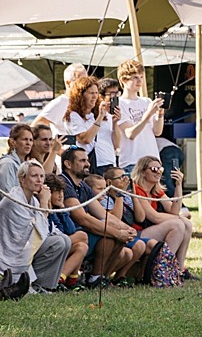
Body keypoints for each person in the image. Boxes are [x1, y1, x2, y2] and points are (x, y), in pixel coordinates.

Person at [59, 145, 136, 287]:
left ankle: (100, 277)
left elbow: (102, 214)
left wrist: (127, 229)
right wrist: (117, 233)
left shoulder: (83, 186)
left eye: (87, 160)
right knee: (112, 235)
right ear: (68, 164)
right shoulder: (64, 183)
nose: (88, 164)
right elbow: (82, 218)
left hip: (83, 234)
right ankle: (94, 278)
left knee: (117, 235)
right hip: (69, 235)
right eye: (82, 161)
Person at [0, 160, 70, 296]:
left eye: (42, 176)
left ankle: (44, 285)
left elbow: (43, 229)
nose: (39, 180)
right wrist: (44, 202)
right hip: (11, 251)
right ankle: (27, 283)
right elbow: (35, 233)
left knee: (64, 240)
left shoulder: (33, 199)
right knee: (58, 242)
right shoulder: (14, 200)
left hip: (26, 246)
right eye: (34, 176)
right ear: (22, 179)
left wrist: (44, 204)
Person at [133, 156, 195, 277]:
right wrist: (180, 217)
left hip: (150, 230)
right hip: (136, 233)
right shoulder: (137, 189)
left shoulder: (156, 190)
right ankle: (163, 268)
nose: (158, 172)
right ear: (143, 171)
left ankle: (179, 269)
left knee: (186, 224)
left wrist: (178, 185)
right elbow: (155, 217)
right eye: (154, 169)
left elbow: (174, 211)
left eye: (160, 169)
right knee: (177, 224)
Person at [113, 59, 163, 175]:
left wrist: (160, 113)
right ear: (124, 80)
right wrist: (148, 114)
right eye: (135, 77)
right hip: (132, 161)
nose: (139, 81)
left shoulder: (146, 101)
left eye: (141, 77)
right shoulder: (120, 103)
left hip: (153, 159)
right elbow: (130, 134)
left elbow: (157, 131)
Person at [59, 75, 104, 166]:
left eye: (96, 93)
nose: (94, 96)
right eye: (91, 93)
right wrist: (100, 117)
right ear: (81, 95)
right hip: (79, 162)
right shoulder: (73, 115)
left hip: (99, 161)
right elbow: (85, 139)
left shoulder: (93, 115)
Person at [31, 63, 87, 131]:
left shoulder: (87, 101)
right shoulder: (61, 102)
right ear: (68, 83)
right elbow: (34, 127)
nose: (84, 85)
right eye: (80, 81)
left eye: (86, 81)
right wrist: (50, 140)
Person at [0, 123, 34, 193]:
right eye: (25, 139)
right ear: (13, 142)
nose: (28, 143)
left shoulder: (24, 165)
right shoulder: (7, 163)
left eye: (31, 140)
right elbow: (7, 196)